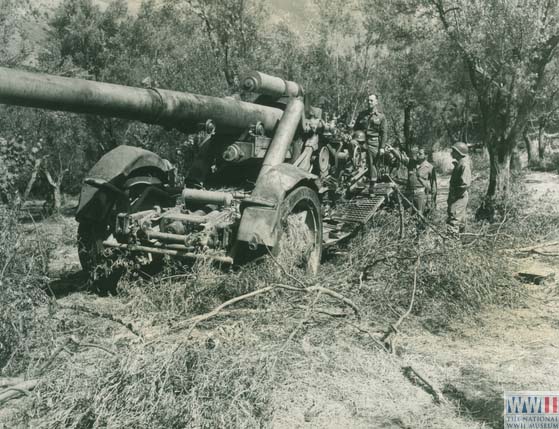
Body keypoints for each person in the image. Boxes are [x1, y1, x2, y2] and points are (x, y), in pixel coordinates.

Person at [353, 94, 387, 193]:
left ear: (376, 102)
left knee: (372, 163)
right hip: (361, 141)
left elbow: (384, 133)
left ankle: (372, 187)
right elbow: (355, 129)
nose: (369, 102)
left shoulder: (381, 116)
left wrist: (382, 147)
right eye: (368, 100)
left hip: (373, 142)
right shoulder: (362, 114)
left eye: (371, 101)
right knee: (352, 155)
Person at [447, 142, 471, 234]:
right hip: (458, 197)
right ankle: (461, 244)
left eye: (454, 151)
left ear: (459, 152)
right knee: (460, 222)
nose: (451, 153)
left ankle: (452, 245)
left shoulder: (464, 165)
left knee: (454, 221)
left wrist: (454, 195)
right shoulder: (460, 163)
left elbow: (465, 184)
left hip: (458, 197)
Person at [415, 148, 437, 215]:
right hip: (411, 194)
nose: (417, 155)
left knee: (421, 214)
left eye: (420, 153)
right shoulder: (412, 164)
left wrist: (432, 201)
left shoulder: (430, 167)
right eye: (417, 153)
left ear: (426, 155)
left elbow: (433, 185)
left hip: (422, 195)